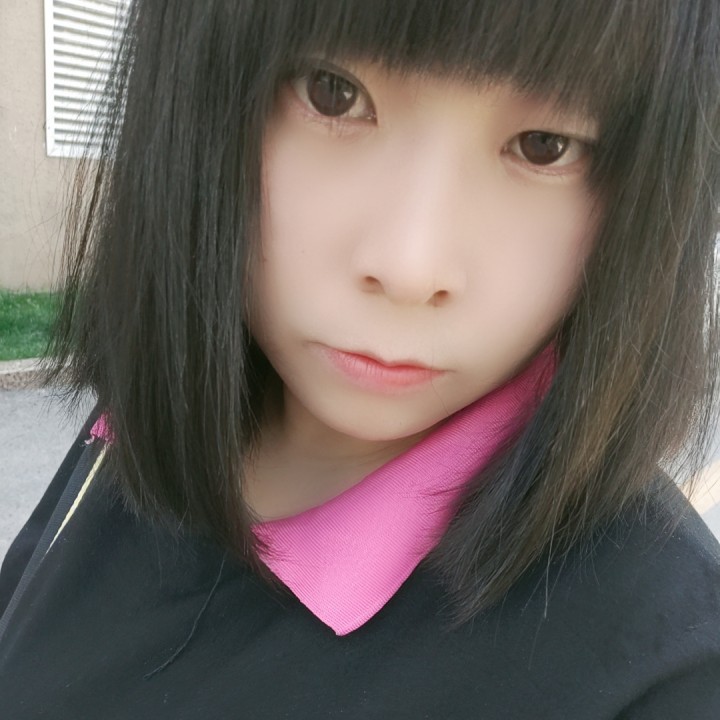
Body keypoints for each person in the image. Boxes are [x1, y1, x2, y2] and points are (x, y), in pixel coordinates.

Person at [1, 0, 719, 716]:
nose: (409, 266)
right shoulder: (152, 420)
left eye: (544, 146)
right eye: (333, 94)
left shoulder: (663, 674)